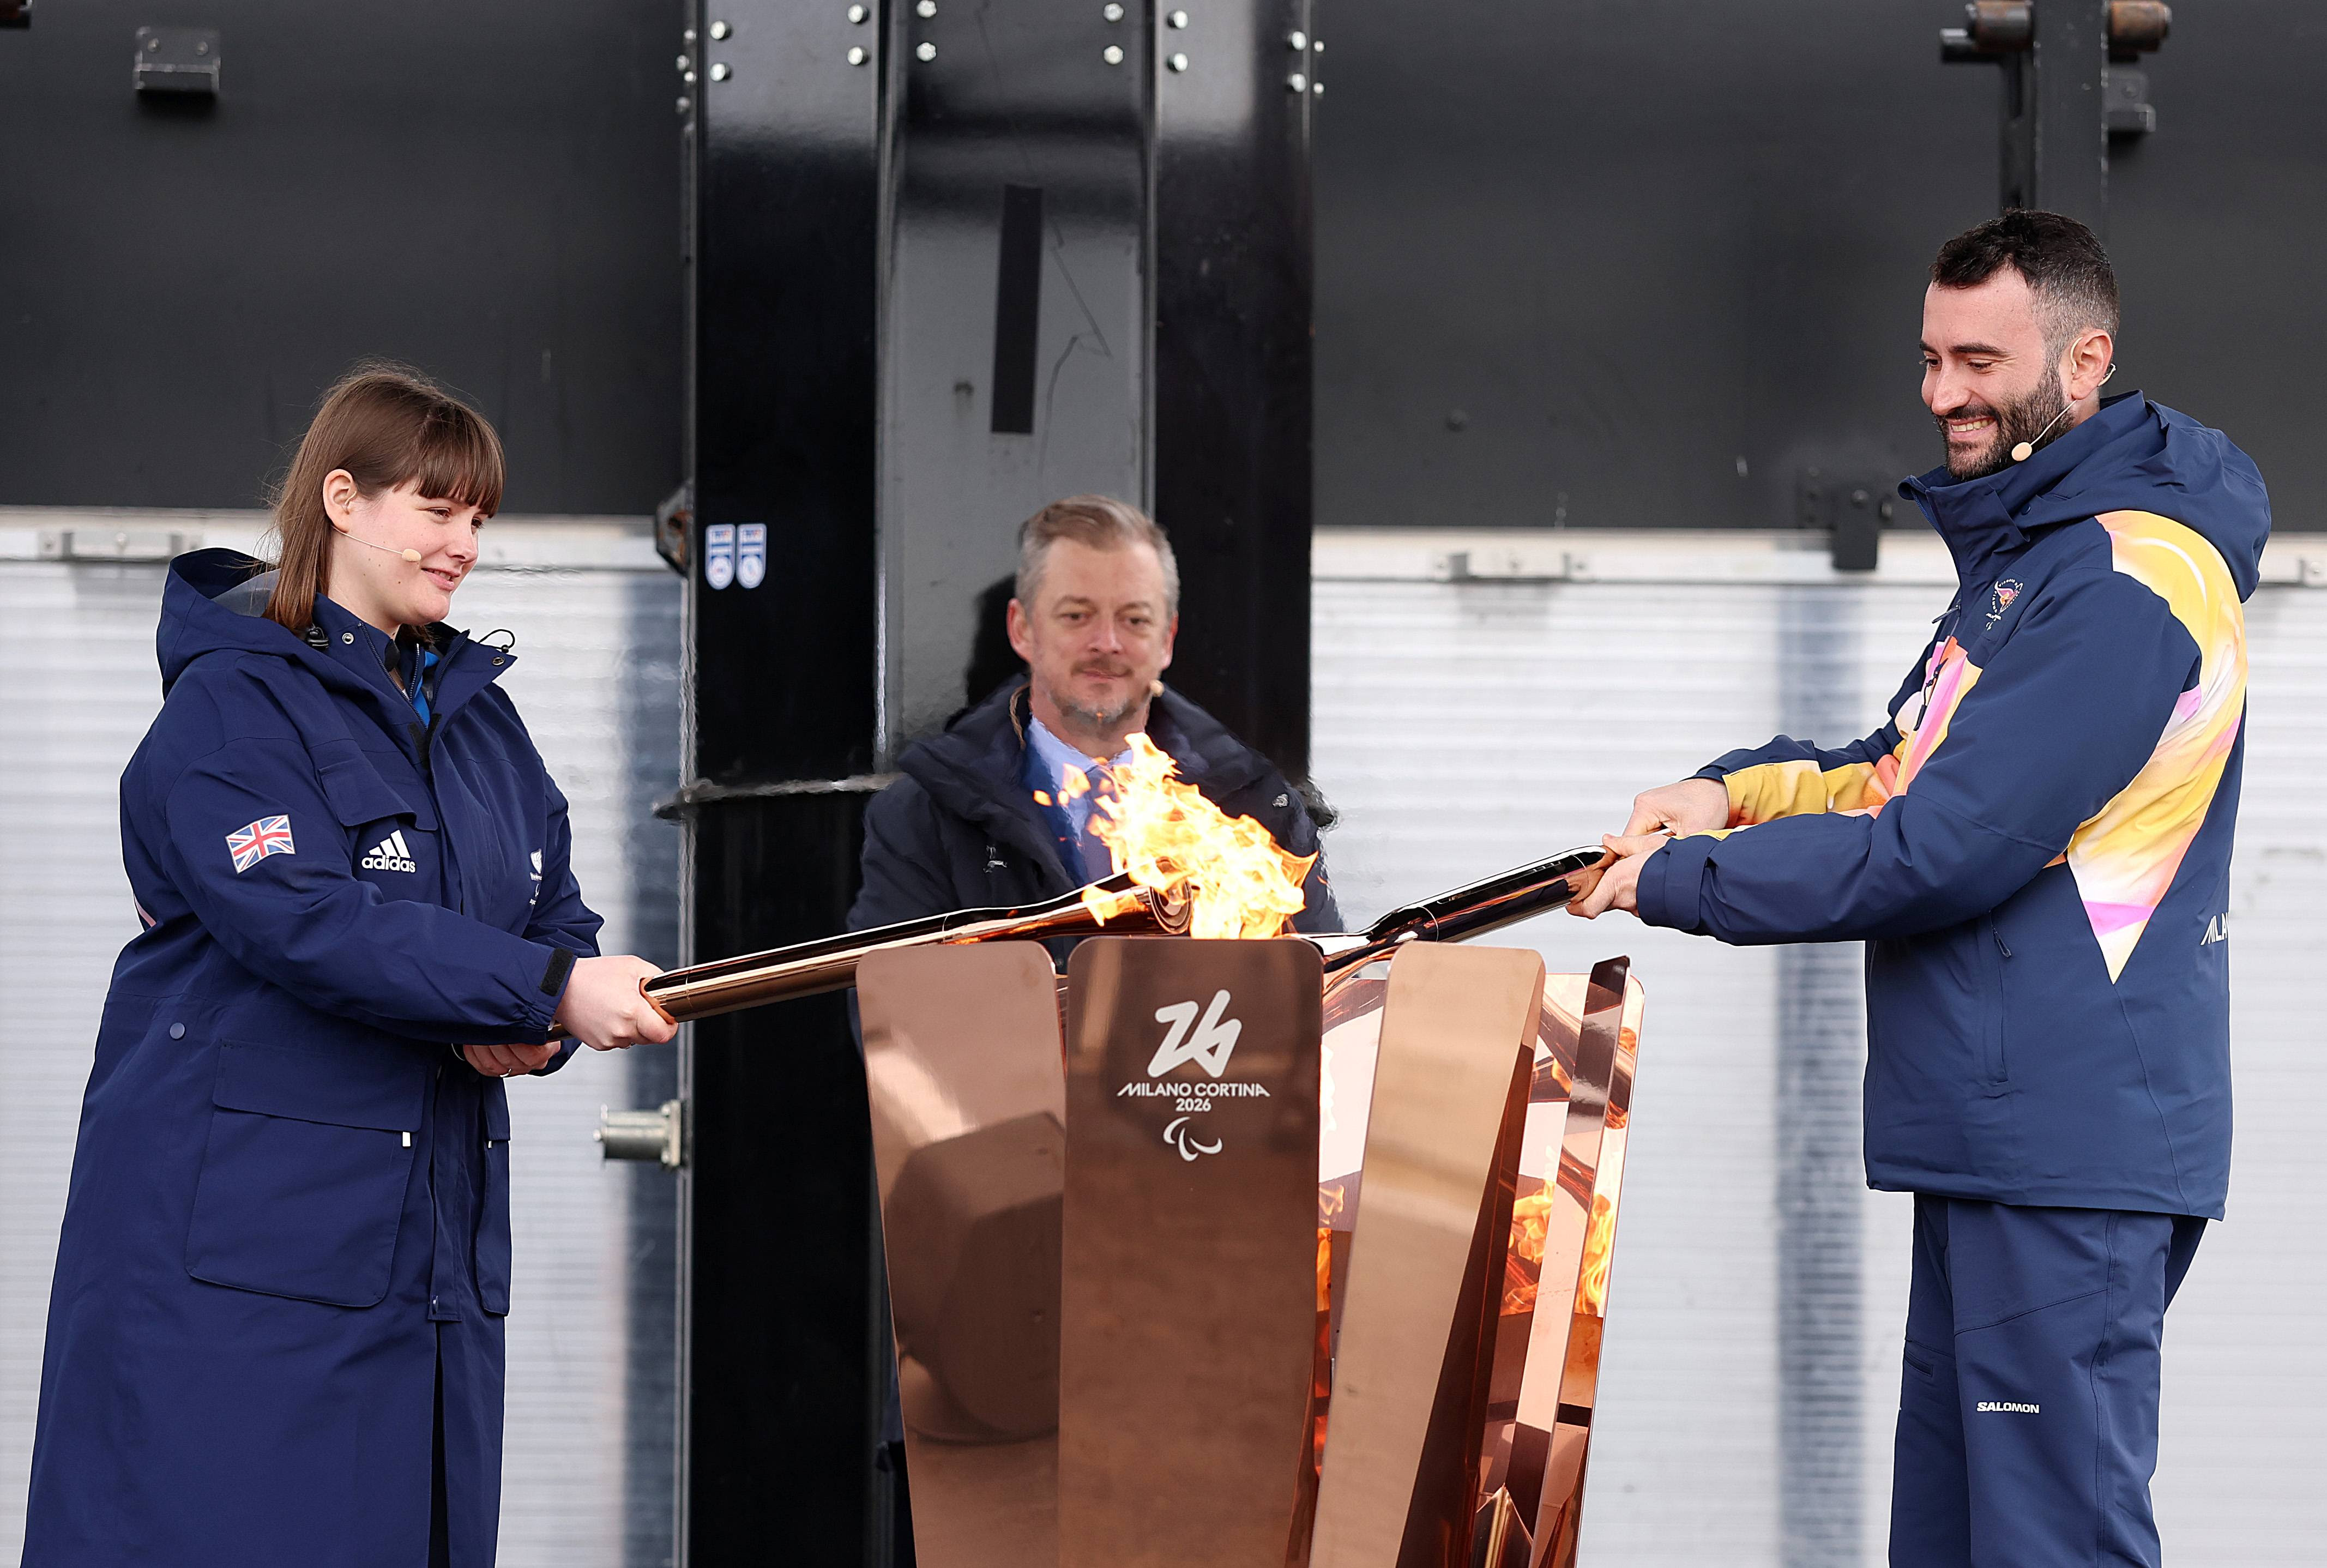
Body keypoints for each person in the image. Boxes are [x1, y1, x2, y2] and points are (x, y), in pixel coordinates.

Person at [1570, 212, 2266, 1566]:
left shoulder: (2127, 579)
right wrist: (1727, 789)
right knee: (1953, 1537)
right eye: (1928, 358)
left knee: (2045, 1538)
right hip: (1995, 1140)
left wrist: (1676, 881)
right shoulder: (2037, 558)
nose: (1940, 393)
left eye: (1975, 360)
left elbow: (1935, 847)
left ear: (2082, 362)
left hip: (2066, 1153)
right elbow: (1895, 769)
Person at [20, 365, 677, 1567]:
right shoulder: (232, 707)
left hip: (424, 1271)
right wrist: (537, 988)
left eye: (480, 515)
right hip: (240, 1278)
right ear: (342, 498)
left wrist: (540, 1010)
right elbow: (308, 922)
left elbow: (554, 902)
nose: (466, 542)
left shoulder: (479, 716)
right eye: (439, 508)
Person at [849, 493, 1340, 937]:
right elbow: (895, 1019)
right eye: (1077, 615)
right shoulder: (924, 816)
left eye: (1134, 619)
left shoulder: (1259, 809)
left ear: (1166, 641)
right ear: (1022, 630)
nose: (1106, 643)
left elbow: (1329, 997)